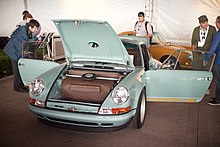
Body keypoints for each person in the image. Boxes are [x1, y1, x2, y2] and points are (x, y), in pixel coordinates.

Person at [3, 19, 40, 93]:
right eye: (35, 28)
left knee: (20, 69)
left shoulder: (27, 31)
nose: (36, 30)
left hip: (17, 50)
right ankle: (17, 87)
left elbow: (27, 40)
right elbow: (25, 41)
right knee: (17, 70)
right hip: (13, 51)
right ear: (30, 27)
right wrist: (37, 38)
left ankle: (20, 85)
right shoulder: (23, 30)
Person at [204, 16, 220, 105]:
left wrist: (206, 57)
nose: (216, 24)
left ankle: (218, 100)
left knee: (218, 81)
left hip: (218, 61)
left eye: (217, 23)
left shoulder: (218, 33)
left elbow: (214, 46)